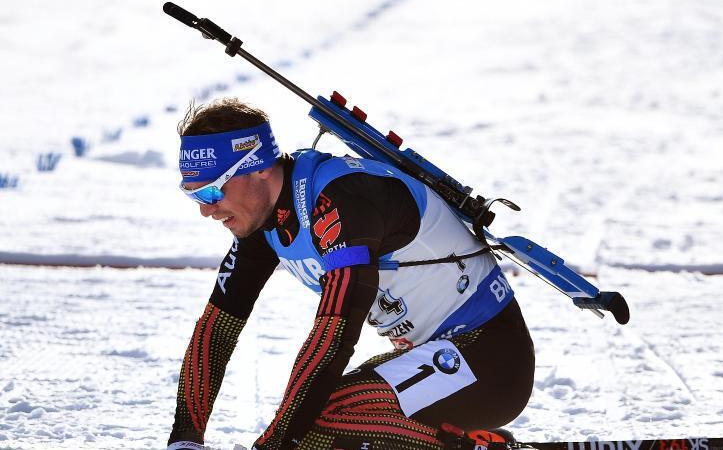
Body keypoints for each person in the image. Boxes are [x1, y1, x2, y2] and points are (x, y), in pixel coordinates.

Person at [166, 98, 535, 450]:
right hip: (431, 357)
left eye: (213, 190)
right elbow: (216, 330)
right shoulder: (265, 219)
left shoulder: (341, 199)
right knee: (312, 419)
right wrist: (185, 437)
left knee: (319, 421)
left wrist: (275, 444)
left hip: (491, 361)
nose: (207, 210)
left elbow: (333, 335)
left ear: (259, 167)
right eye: (194, 196)